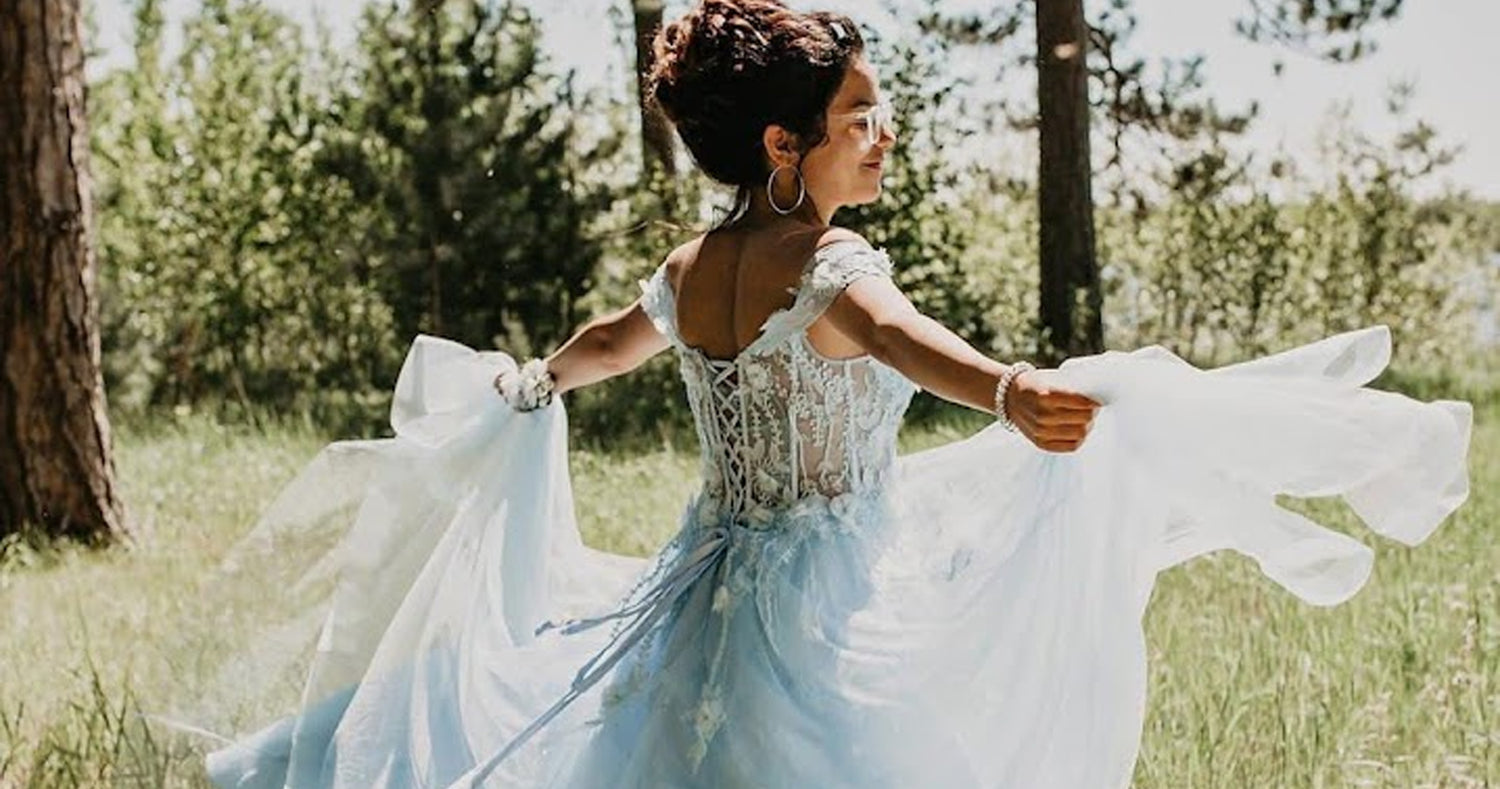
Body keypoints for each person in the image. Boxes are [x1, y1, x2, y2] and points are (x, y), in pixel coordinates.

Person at [181, 1, 1472, 787]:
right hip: (831, 604)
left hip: (702, 586)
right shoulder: (834, 268)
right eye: (861, 116)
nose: (885, 130)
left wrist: (531, 383)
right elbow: (911, 345)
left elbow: (606, 341)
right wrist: (1012, 389)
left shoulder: (692, 272)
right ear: (782, 146)